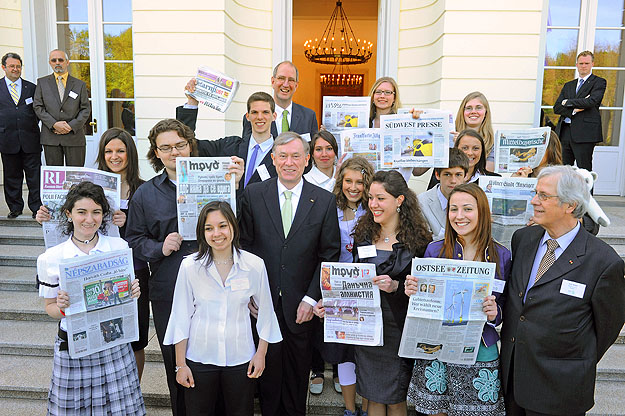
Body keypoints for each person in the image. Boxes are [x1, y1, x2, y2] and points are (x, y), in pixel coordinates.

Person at [125, 119, 243, 415]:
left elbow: (242, 227)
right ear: (156, 152)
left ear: (191, 145)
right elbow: (134, 238)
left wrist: (236, 186)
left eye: (179, 145)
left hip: (218, 285)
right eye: (166, 147)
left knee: (216, 358)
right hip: (170, 287)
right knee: (176, 363)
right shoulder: (146, 193)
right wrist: (159, 247)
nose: (174, 152)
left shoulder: (218, 182)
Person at [500, 165, 625, 416]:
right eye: (536, 193)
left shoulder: (604, 262)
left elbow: (607, 329)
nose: (534, 201)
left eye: (544, 196)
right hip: (514, 380)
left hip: (560, 390)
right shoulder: (523, 239)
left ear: (570, 205)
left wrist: (569, 361)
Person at [35, 127, 151, 378]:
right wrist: (45, 216)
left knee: (135, 336)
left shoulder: (143, 189)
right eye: (108, 151)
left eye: (120, 150)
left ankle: (132, 390)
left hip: (131, 266)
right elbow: (72, 216)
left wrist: (128, 220)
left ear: (130, 153)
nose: (114, 156)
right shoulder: (89, 185)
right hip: (87, 264)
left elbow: (150, 229)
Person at [239, 131, 340, 416]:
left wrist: (311, 298)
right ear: (273, 159)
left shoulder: (323, 200)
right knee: (266, 379)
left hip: (301, 307)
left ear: (307, 160)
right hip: (262, 304)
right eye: (282, 156)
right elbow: (244, 247)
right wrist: (249, 292)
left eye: (296, 156)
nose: (289, 162)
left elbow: (328, 255)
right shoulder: (254, 194)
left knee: (296, 380)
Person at [164, 201, 282, 415]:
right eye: (209, 228)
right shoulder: (190, 266)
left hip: (241, 358)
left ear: (233, 227)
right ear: (202, 232)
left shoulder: (254, 265)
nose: (216, 233)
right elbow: (180, 316)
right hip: (199, 357)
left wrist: (261, 354)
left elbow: (266, 312)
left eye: (222, 226)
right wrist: (180, 365)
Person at [36, 181, 144, 415]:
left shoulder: (118, 246)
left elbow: (124, 299)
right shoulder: (52, 257)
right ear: (68, 214)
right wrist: (62, 307)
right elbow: (50, 308)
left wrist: (133, 292)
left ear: (103, 214)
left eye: (96, 212)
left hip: (113, 344)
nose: (89, 219)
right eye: (81, 212)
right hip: (74, 346)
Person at [405, 183, 510, 416]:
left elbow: (505, 306)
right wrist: (413, 290)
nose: (459, 216)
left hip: (481, 347)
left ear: (482, 212)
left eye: (467, 209)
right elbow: (423, 300)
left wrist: (495, 313)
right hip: (438, 346)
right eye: (453, 209)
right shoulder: (434, 251)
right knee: (437, 412)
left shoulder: (502, 255)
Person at [351, 170, 432, 416]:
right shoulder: (364, 234)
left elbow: (424, 293)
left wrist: (396, 286)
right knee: (373, 396)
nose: (373, 204)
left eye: (380, 198)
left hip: (398, 326)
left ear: (399, 200)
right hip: (366, 328)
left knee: (396, 398)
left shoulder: (420, 242)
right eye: (371, 198)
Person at [313, 156, 374, 416]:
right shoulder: (329, 206)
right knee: (344, 352)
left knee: (367, 354)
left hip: (366, 287)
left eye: (360, 182)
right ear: (340, 182)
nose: (353, 187)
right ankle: (350, 410)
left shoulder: (373, 208)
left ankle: (370, 408)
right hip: (336, 286)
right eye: (348, 181)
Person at [177, 91, 277, 198]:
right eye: (254, 112)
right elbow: (190, 145)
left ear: (274, 116)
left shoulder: (282, 154)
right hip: (230, 213)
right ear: (247, 116)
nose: (260, 117)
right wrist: (192, 103)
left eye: (265, 112)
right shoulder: (229, 145)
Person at [0, 52, 42, 219]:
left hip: (30, 140)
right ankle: (15, 207)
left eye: (18, 66)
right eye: (12, 66)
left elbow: (38, 112)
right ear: (4, 68)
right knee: (11, 177)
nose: (15, 69)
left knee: (34, 177)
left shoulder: (31, 88)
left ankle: (36, 208)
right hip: (7, 141)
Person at [33, 49, 90, 166]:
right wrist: (54, 124)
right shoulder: (42, 83)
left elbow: (85, 109)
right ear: (50, 62)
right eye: (54, 60)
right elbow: (38, 107)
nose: (57, 63)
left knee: (75, 177)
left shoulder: (79, 84)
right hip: (51, 137)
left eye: (61, 60)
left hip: (74, 137)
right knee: (55, 179)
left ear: (67, 62)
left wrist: (70, 126)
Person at [553, 51, 607, 172]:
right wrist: (574, 110)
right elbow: (556, 107)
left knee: (585, 172)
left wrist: (567, 102)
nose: (583, 66)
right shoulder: (568, 85)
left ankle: (586, 192)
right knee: (564, 172)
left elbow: (592, 101)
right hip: (564, 133)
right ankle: (567, 192)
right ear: (576, 64)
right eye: (581, 63)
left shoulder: (599, 82)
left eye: (586, 63)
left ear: (592, 64)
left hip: (585, 134)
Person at [243, 61, 318, 139]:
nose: (285, 84)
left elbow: (313, 149)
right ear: (273, 81)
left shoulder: (309, 116)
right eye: (281, 78)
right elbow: (247, 148)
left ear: (296, 85)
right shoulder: (254, 117)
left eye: (291, 80)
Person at [367, 77, 418, 183]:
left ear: (394, 98)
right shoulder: (364, 123)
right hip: (367, 187)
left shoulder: (406, 121)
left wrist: (419, 122)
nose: (382, 96)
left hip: (395, 187)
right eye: (378, 92)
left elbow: (417, 171)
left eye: (387, 92)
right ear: (373, 96)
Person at [417, 148, 470, 240]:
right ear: (437, 175)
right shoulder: (421, 202)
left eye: (458, 175)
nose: (453, 181)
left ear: (465, 176)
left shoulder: (474, 201)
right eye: (447, 174)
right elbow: (422, 242)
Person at [454, 92, 496, 172]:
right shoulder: (450, 135)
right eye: (469, 108)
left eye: (478, 108)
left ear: (486, 112)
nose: (473, 111)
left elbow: (486, 174)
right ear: (462, 112)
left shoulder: (492, 142)